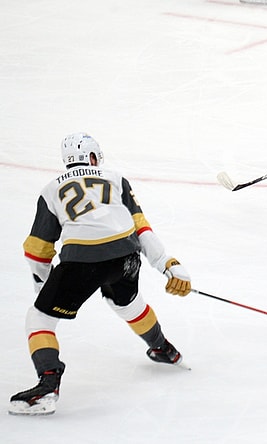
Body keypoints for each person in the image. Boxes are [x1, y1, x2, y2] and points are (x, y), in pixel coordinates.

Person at [9, 133, 192, 416]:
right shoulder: (116, 178)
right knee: (129, 304)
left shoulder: (51, 189)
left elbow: (37, 249)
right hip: (125, 258)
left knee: (39, 318)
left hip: (81, 262)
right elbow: (141, 227)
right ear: (93, 158)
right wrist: (167, 264)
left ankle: (48, 383)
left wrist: (45, 287)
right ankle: (162, 347)